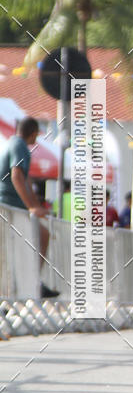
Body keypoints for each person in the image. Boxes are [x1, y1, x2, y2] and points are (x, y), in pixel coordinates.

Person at [0, 116, 59, 297]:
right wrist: (31, 208)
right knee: (38, 238)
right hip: (10, 206)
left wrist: (35, 206)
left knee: (40, 236)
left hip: (12, 206)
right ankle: (29, 283)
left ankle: (32, 281)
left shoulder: (13, 143)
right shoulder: (20, 146)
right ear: (33, 134)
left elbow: (27, 180)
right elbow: (17, 176)